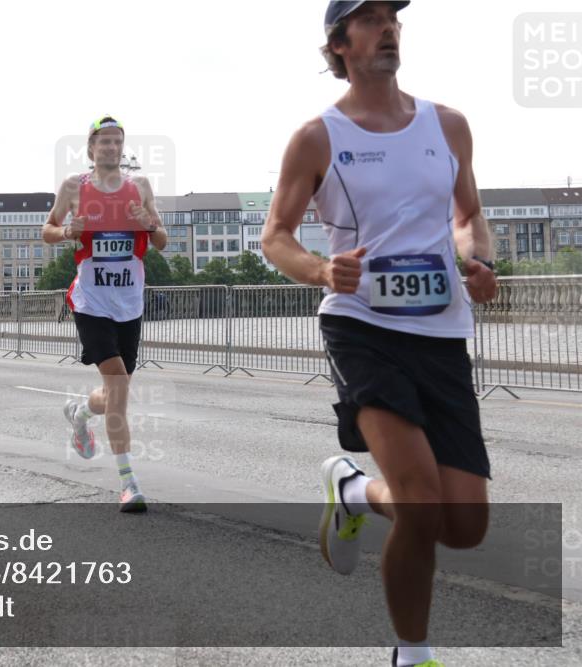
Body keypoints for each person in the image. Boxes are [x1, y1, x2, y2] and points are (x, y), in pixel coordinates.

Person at [261, 3, 497, 666]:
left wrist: (476, 257)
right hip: (362, 326)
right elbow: (275, 237)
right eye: (370, 18)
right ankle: (411, 653)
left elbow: (469, 214)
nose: (388, 27)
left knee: (466, 525)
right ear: (339, 44)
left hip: (442, 332)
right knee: (421, 503)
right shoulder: (318, 137)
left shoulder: (447, 126)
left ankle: (352, 490)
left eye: (393, 16)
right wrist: (320, 269)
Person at [43, 115, 168, 513]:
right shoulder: (74, 188)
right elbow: (47, 228)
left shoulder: (140, 187)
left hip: (129, 304)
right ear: (91, 148)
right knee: (117, 386)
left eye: (118, 142)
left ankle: (80, 413)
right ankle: (128, 483)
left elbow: (162, 241)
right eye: (105, 142)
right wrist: (66, 232)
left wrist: (150, 224)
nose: (112, 148)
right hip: (91, 303)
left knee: (115, 393)